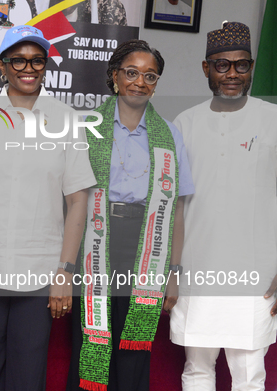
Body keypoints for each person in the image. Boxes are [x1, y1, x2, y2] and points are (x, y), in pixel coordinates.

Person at [0, 25, 96, 391]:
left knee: (28, 375)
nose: (28, 68)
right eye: (18, 60)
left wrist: (64, 272)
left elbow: (77, 200)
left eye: (37, 60)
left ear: (46, 65)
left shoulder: (66, 119)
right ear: (2, 66)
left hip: (42, 272)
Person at [66, 39, 194, 391]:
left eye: (150, 76)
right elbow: (70, 200)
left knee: (134, 348)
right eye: (132, 73)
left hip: (147, 244)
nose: (140, 82)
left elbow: (177, 209)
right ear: (114, 76)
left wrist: (173, 272)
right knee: (91, 339)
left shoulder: (169, 135)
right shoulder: (85, 126)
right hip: (93, 240)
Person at [170, 21, 277, 391]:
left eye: (242, 65)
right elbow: (173, 205)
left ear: (251, 66)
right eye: (222, 65)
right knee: (197, 370)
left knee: (249, 374)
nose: (232, 74)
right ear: (206, 69)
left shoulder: (273, 120)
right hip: (196, 272)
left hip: (257, 275)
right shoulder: (184, 124)